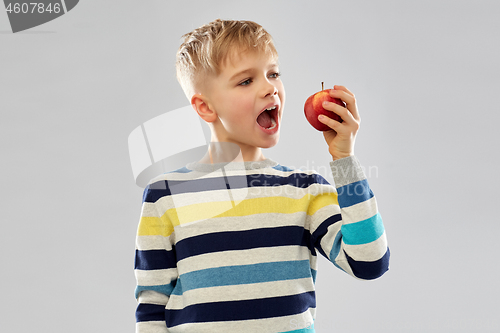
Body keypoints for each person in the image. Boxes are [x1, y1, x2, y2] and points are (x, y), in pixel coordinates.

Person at [134, 18, 390, 333]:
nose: (270, 87)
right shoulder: (165, 194)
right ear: (205, 107)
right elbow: (151, 304)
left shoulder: (305, 190)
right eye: (246, 81)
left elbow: (370, 262)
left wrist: (343, 159)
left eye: (273, 74)